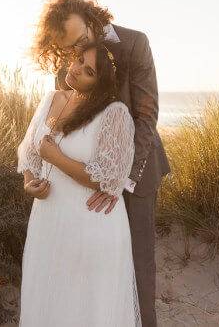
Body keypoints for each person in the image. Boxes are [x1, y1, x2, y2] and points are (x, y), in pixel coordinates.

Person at [31, 0, 171, 327]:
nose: (76, 55)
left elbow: (146, 117)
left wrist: (117, 179)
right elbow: (63, 127)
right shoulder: (68, 64)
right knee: (87, 270)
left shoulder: (136, 44)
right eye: (68, 49)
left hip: (135, 174)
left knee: (138, 271)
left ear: (93, 20)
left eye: (81, 40)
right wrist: (40, 176)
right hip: (85, 179)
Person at [16, 42, 141, 326]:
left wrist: (56, 158)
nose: (76, 71)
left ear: (102, 82)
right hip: (47, 223)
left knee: (84, 309)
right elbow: (29, 151)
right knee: (48, 301)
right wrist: (28, 182)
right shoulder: (51, 99)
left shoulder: (114, 113)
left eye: (89, 72)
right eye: (79, 61)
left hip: (90, 225)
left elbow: (107, 177)